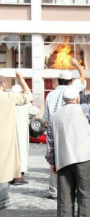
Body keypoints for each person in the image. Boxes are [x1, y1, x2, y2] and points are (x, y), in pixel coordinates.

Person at [48, 86, 90, 217]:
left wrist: (52, 161)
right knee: (85, 195)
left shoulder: (54, 116)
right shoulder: (83, 109)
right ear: (77, 99)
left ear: (64, 99)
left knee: (64, 197)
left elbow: (51, 142)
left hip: (63, 159)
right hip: (83, 157)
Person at [43, 58, 87, 199]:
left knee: (54, 159)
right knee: (69, 157)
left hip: (53, 130)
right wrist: (76, 64)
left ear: (58, 81)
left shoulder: (50, 95)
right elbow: (83, 75)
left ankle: (53, 190)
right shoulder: (72, 90)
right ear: (69, 82)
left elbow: (45, 118)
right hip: (69, 129)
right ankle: (70, 188)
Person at [0, 72, 33, 210]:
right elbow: (28, 96)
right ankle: (3, 200)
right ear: (3, 84)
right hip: (4, 139)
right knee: (3, 169)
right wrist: (21, 79)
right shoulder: (8, 97)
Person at [10, 85, 39, 185]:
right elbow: (35, 112)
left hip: (9, 132)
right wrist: (33, 105)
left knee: (10, 154)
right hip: (21, 132)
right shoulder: (25, 104)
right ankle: (19, 177)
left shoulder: (8, 102)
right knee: (21, 153)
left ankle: (9, 176)